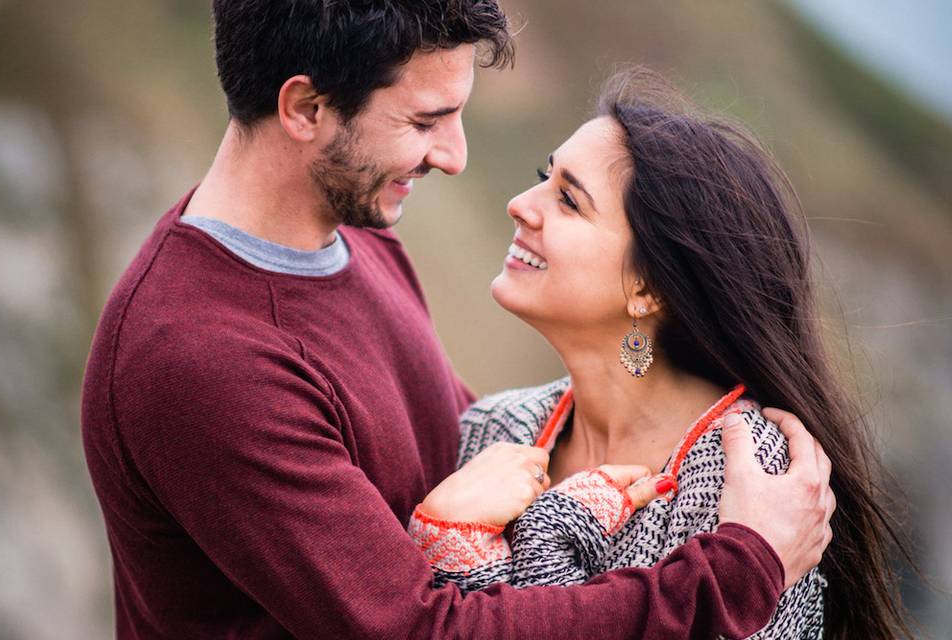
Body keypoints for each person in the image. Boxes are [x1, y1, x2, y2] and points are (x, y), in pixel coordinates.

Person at [80, 3, 835, 638]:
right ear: (305, 108)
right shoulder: (199, 360)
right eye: (426, 120)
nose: (456, 155)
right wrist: (741, 568)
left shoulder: (355, 240)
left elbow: (455, 443)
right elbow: (426, 630)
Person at [408, 68, 910, 639]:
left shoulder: (750, 478)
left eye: (568, 199)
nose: (520, 204)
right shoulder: (495, 428)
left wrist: (513, 544)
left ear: (649, 288)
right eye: (542, 177)